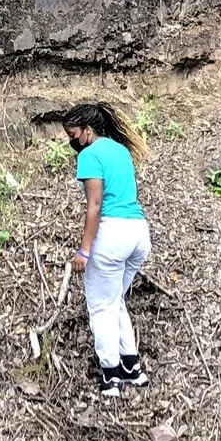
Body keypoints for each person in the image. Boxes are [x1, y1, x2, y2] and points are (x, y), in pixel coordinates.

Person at [62, 101, 150, 396]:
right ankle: (132, 368)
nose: (71, 140)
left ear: (87, 130)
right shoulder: (120, 150)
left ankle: (110, 375)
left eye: (73, 134)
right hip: (138, 233)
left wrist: (84, 250)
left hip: (112, 235)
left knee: (101, 305)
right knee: (115, 299)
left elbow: (95, 206)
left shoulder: (90, 155)